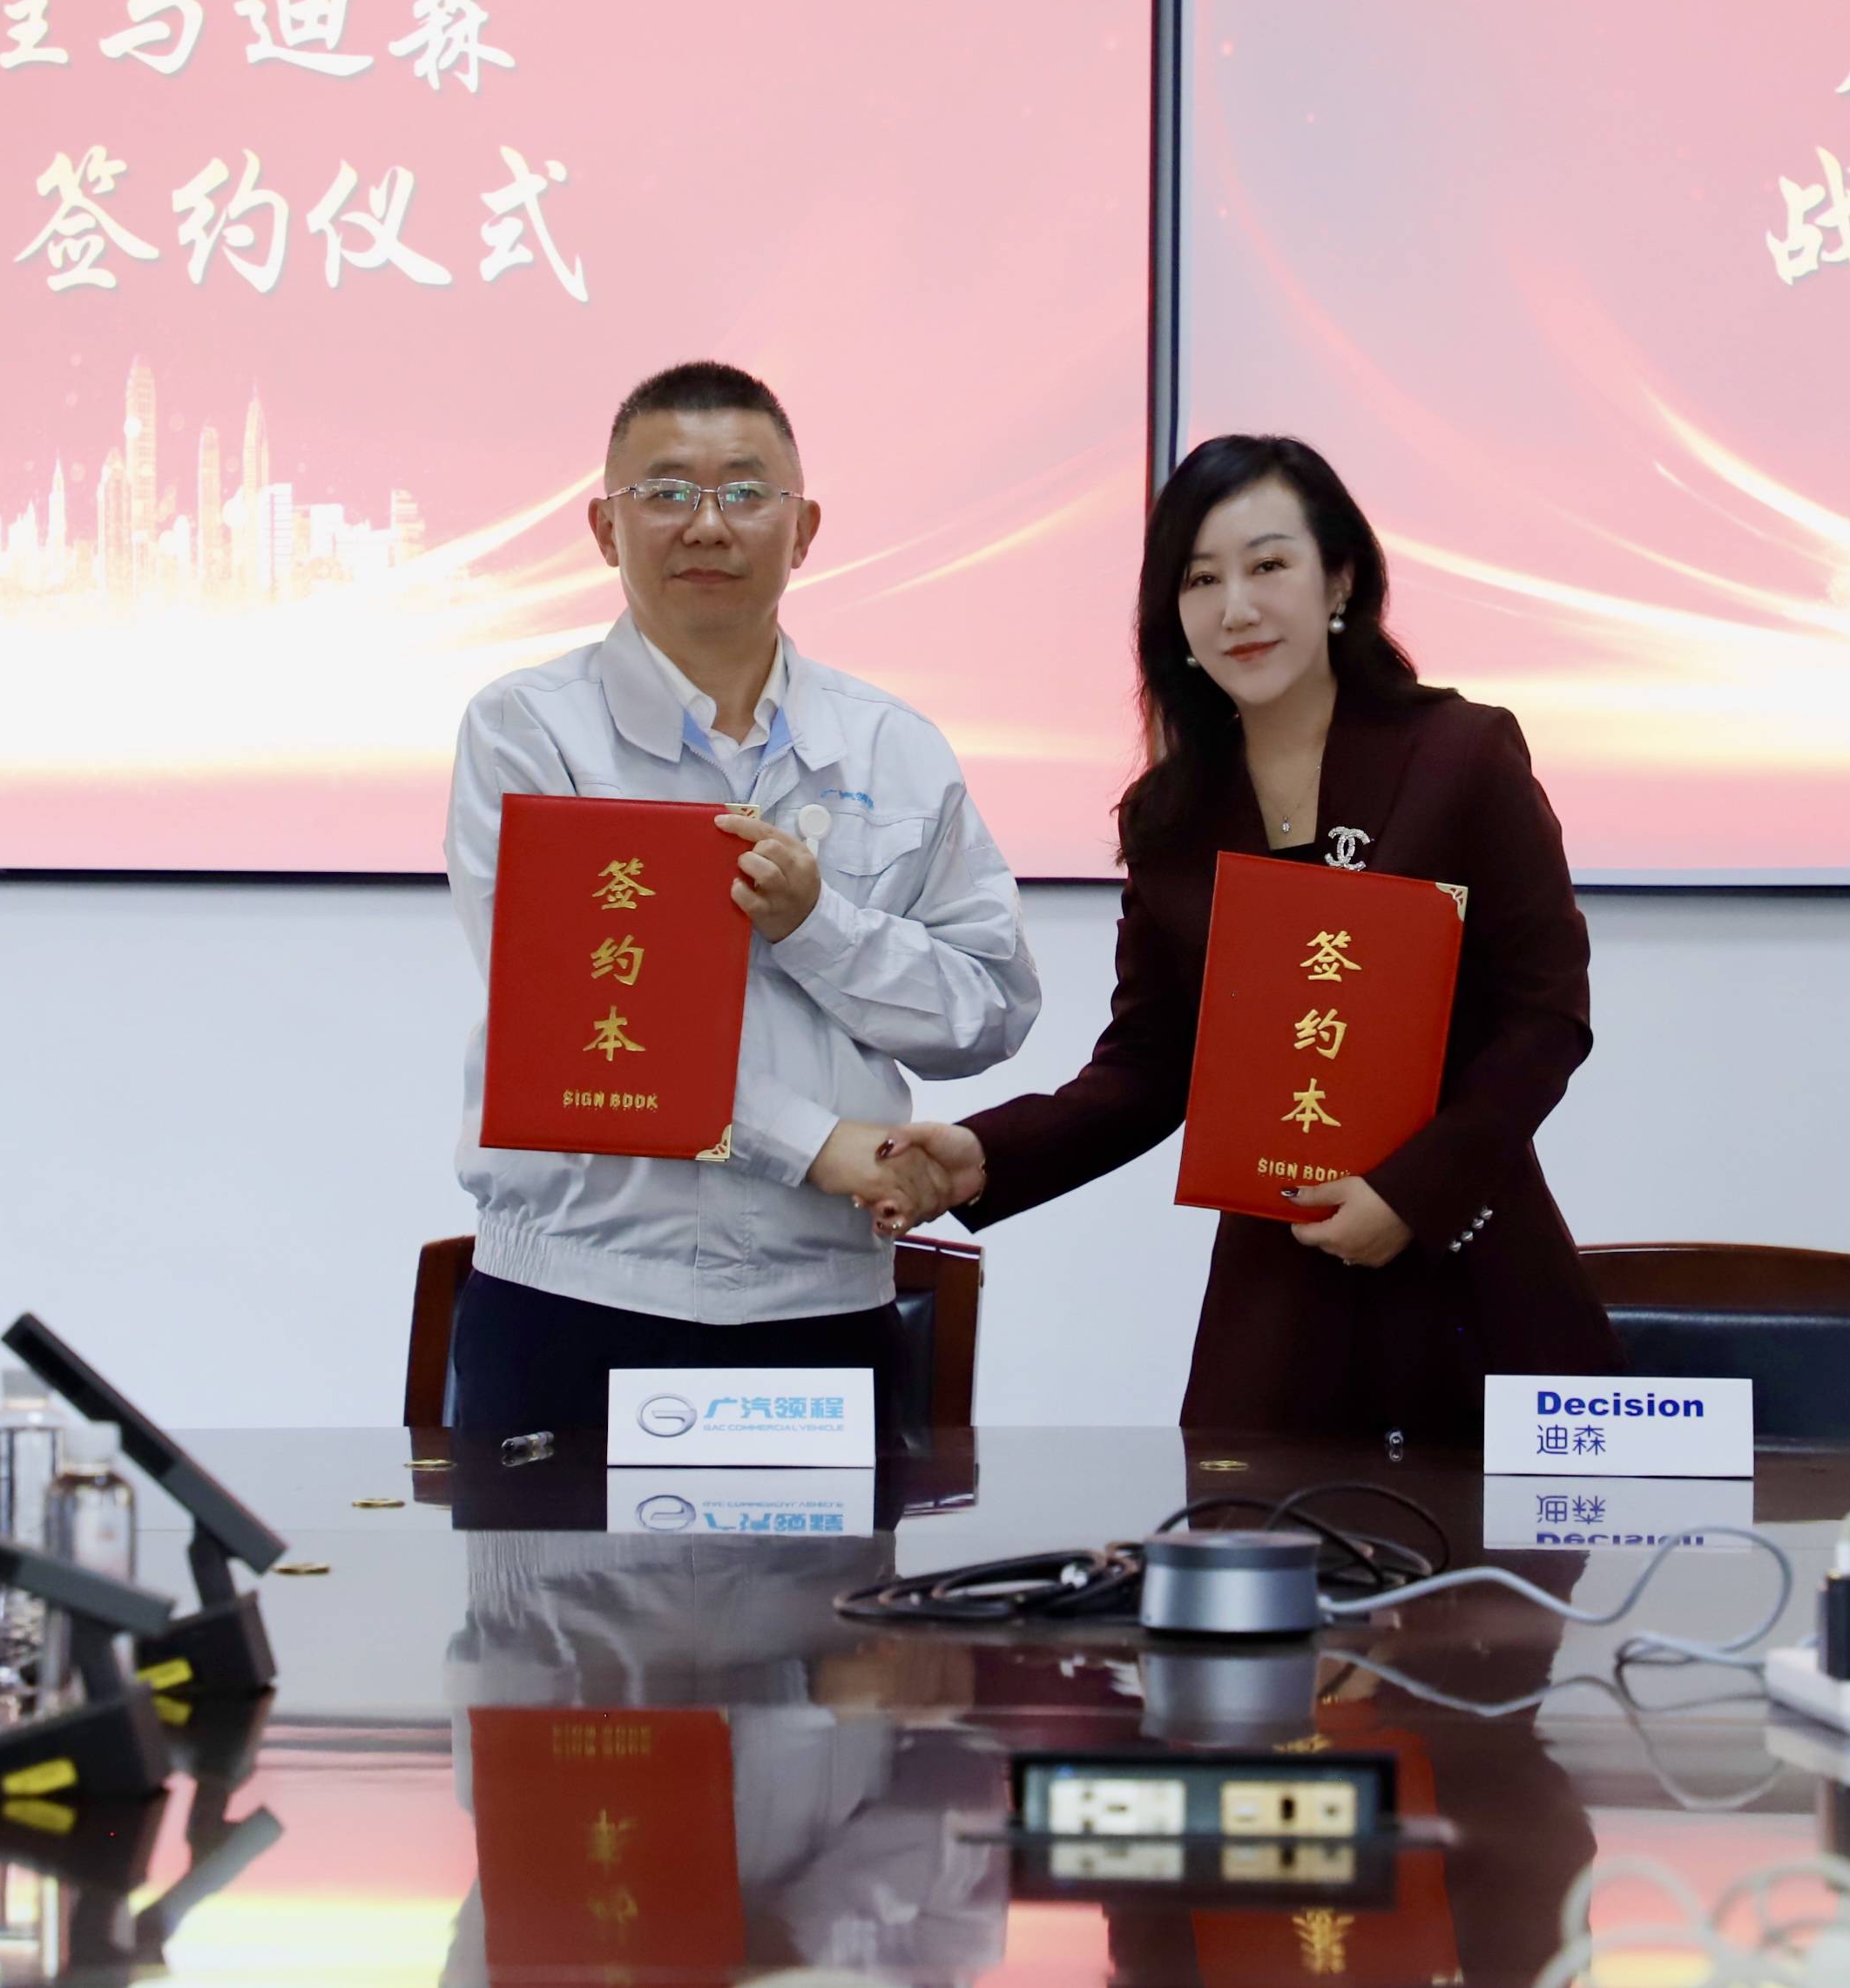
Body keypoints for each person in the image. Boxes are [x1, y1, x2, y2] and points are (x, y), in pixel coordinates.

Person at [863, 434, 1622, 1441]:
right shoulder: (1173, 817)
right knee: (1245, 1527)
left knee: (1493, 1545)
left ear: (1339, 580)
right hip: (1279, 1298)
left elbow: (1545, 1018)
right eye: (1200, 579)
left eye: (1268, 566)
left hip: (1469, 1258)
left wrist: (1409, 1194)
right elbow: (1149, 1069)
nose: (1236, 608)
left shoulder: (1461, 755)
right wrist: (981, 1150)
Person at [442, 361, 1032, 1442]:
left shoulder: (894, 748)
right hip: (579, 1291)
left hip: (822, 1305)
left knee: (833, 1571)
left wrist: (818, 927)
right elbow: (574, 1026)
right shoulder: (528, 732)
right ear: (604, 528)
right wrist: (821, 1147)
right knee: (548, 1568)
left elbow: (986, 1013)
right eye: (666, 491)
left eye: (745, 492)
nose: (706, 524)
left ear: (803, 531)